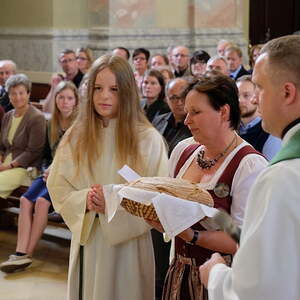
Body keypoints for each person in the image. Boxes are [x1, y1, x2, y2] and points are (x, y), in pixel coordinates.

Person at [47, 55, 168, 300]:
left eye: (114, 89)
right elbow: (58, 184)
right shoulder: (77, 136)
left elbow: (160, 196)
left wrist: (114, 202)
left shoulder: (147, 139)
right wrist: (86, 200)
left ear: (127, 92)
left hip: (129, 247)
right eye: (98, 89)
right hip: (89, 237)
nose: (104, 97)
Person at [149, 73, 267, 299]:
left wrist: (192, 235)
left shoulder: (249, 165)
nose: (186, 120)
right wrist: (159, 219)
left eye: (196, 112)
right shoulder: (183, 151)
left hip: (221, 280)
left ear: (223, 112)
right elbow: (173, 214)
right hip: (179, 272)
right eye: (187, 111)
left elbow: (242, 238)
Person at [199, 34, 300, 300]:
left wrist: (216, 276)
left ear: (287, 92)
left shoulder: (281, 177)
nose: (254, 99)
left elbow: (257, 292)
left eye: (259, 87)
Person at [0, 81, 79, 273]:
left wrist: (55, 170)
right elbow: (44, 155)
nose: (65, 102)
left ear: (76, 101)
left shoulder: (80, 125)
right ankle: (19, 252)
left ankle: (28, 254)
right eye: (61, 97)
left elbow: (78, 159)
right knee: (26, 200)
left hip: (69, 176)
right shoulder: (51, 122)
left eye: (69, 98)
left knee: (43, 203)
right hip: (48, 173)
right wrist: (46, 170)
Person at [0, 74, 46, 199]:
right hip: (5, 165)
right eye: (13, 93)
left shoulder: (36, 117)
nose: (17, 97)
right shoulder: (8, 115)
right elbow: (2, 146)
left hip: (25, 169)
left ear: (28, 94)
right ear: (8, 96)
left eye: (21, 93)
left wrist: (8, 166)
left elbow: (33, 152)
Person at [237, 75, 281, 160]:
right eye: (237, 95)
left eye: (246, 95)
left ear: (257, 97)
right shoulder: (231, 127)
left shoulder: (270, 131)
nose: (240, 100)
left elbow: (270, 169)